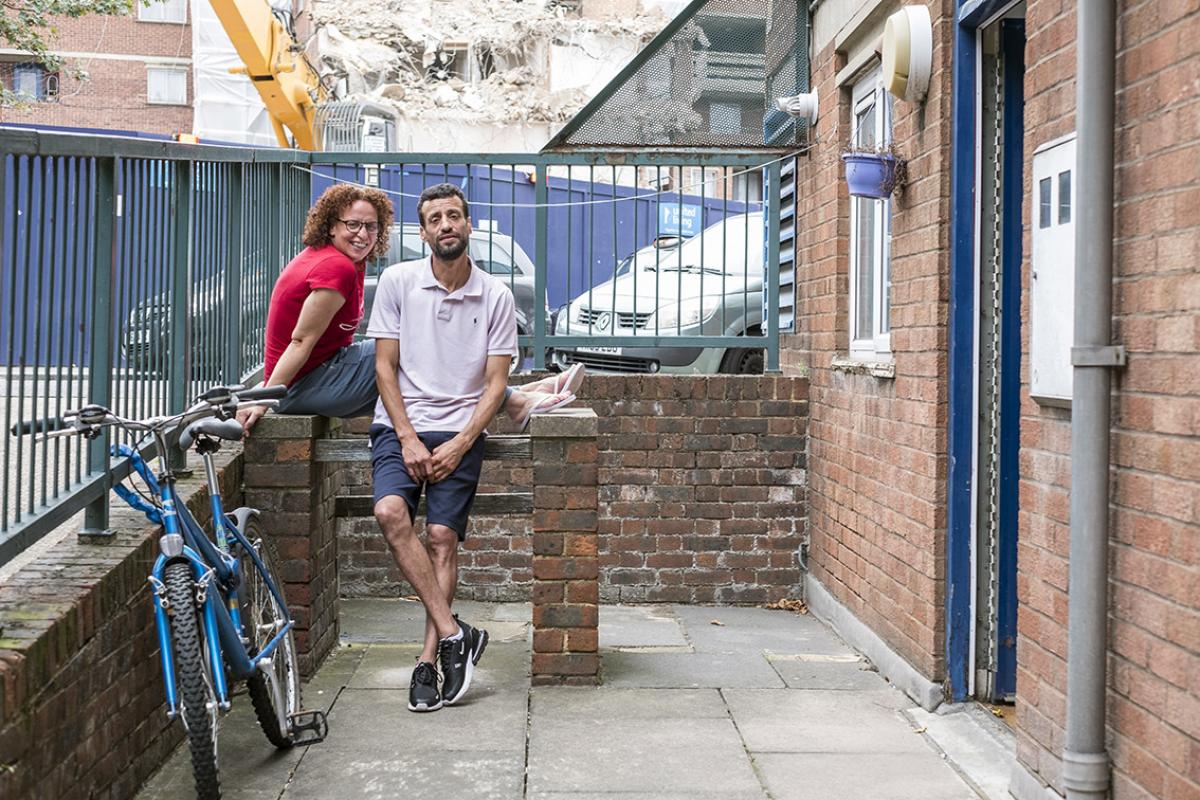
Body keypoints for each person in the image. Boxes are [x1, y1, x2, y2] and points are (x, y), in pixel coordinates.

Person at [237, 183, 581, 435]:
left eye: (371, 226)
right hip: (301, 387)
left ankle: (519, 396)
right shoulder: (334, 267)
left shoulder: (346, 261)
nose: (363, 234)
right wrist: (262, 399)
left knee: (419, 357)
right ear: (331, 226)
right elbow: (299, 342)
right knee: (414, 348)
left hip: (326, 372)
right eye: (352, 225)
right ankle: (517, 401)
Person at [365, 183, 513, 712]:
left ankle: (429, 659)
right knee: (389, 512)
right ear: (423, 232)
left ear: (468, 225)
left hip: (460, 431)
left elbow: (496, 385)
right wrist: (405, 436)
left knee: (442, 537)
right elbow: (385, 367)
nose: (446, 224)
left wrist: (461, 442)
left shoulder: (495, 294)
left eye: (454, 216)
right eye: (435, 219)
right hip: (399, 427)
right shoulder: (398, 282)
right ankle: (457, 634)